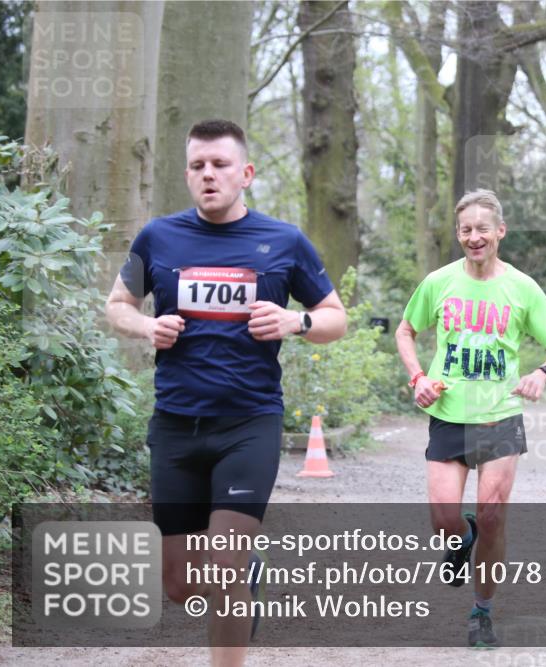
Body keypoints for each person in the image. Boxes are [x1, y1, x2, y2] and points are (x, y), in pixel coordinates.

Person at [105, 119, 347, 666]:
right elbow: (117, 304)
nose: (208, 175)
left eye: (219, 164)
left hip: (249, 424)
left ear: (246, 174)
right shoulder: (157, 238)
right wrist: (146, 326)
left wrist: (295, 322)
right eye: (197, 166)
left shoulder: (284, 241)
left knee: (224, 565)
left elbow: (336, 317)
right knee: (179, 585)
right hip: (176, 426)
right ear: (187, 174)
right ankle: (245, 573)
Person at [395, 189, 546, 647]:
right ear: (459, 234)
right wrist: (418, 377)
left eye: (482, 229)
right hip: (448, 413)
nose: (474, 237)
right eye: (466, 230)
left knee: (493, 516)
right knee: (443, 520)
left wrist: (542, 373)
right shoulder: (439, 282)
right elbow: (406, 330)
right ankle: (462, 534)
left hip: (501, 416)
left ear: (500, 232)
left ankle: (482, 611)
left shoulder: (522, 287)